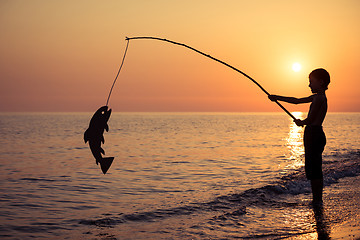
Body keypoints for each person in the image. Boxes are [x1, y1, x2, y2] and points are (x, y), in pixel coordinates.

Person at [268, 68, 330, 205]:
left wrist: (301, 122)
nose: (309, 85)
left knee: (314, 169)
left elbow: (311, 118)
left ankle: (317, 200)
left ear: (321, 82)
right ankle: (317, 199)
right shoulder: (316, 97)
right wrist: (276, 98)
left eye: (311, 82)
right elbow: (296, 101)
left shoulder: (320, 98)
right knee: (314, 168)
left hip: (314, 134)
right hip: (313, 134)